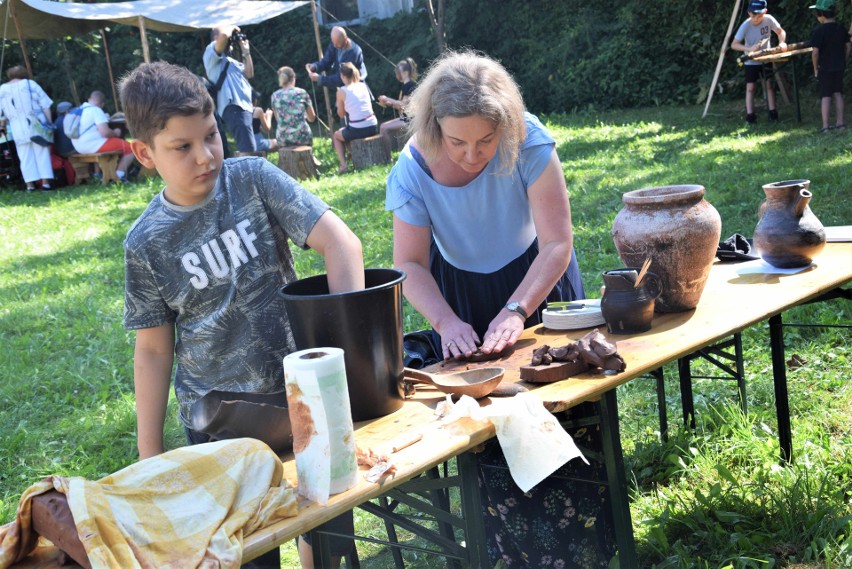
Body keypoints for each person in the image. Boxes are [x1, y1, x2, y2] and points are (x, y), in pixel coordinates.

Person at [119, 61, 364, 569]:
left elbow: (341, 243)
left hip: (301, 399)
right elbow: (152, 349)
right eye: (182, 147)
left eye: (210, 136)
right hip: (218, 424)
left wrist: (343, 359)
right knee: (247, 553)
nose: (205, 155)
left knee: (328, 537)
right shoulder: (145, 243)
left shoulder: (252, 178)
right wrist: (148, 457)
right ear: (145, 153)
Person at [385, 51, 614, 566]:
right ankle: (508, 544)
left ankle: (587, 534)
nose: (472, 154)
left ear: (504, 126)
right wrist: (445, 321)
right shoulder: (412, 169)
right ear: (432, 126)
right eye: (457, 141)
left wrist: (517, 308)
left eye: (485, 140)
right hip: (460, 294)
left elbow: (557, 244)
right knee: (490, 422)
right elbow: (410, 265)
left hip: (539, 278)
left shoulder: (527, 138)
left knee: (563, 407)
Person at [731, 0, 787, 124]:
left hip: (766, 59)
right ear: (748, 13)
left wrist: (782, 42)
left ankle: (773, 114)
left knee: (769, 85)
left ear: (765, 12)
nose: (756, 18)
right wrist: (748, 49)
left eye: (759, 15)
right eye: (753, 15)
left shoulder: (769, 19)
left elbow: (781, 31)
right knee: (750, 87)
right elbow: (734, 45)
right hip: (751, 61)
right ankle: (750, 116)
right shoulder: (746, 25)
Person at [203, 24, 256, 154]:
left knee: (248, 147)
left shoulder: (232, 61)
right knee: (247, 148)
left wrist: (246, 51)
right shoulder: (210, 52)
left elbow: (249, 73)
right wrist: (231, 26)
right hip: (233, 106)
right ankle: (244, 173)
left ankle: (242, 171)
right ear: (216, 37)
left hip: (244, 107)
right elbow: (224, 36)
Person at [0, 65, 54, 191]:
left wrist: (3, 126)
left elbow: (1, 114)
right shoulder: (30, 84)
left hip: (17, 127)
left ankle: (30, 185)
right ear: (24, 74)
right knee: (42, 153)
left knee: (24, 156)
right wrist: (49, 123)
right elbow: (45, 104)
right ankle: (45, 184)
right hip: (36, 124)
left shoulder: (2, 89)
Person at [71, 90, 136, 183]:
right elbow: (105, 133)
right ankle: (118, 176)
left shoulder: (78, 110)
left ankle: (103, 174)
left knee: (117, 145)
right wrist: (115, 132)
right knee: (130, 148)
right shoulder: (96, 110)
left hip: (78, 146)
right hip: (92, 145)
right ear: (102, 104)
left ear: (89, 99)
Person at [809, 0, 850, 132]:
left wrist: (815, 68)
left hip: (824, 67)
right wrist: (845, 58)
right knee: (838, 93)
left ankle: (825, 126)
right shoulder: (841, 28)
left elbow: (815, 53)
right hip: (839, 66)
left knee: (826, 95)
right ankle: (840, 123)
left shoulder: (819, 31)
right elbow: (848, 45)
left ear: (821, 14)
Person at [333, 62, 378, 174]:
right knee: (347, 132)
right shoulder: (363, 85)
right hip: (373, 125)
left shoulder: (341, 91)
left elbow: (341, 114)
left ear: (342, 76)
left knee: (337, 136)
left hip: (358, 128)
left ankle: (343, 165)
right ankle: (353, 156)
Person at [377, 58, 418, 153]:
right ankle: (387, 156)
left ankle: (387, 157)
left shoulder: (410, 86)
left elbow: (402, 104)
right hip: (405, 118)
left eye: (399, 72)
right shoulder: (405, 86)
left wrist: (387, 99)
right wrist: (389, 103)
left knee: (383, 128)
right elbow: (400, 106)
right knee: (383, 127)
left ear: (406, 72)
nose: (397, 75)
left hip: (410, 120)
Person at [271, 66, 316, 148]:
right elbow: (312, 118)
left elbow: (278, 119)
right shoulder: (302, 92)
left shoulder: (275, 96)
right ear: (293, 78)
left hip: (282, 138)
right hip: (302, 136)